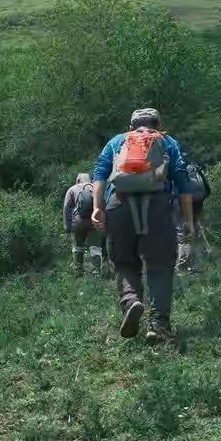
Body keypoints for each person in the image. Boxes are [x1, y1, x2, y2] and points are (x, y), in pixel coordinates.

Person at [91, 108, 194, 343]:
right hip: (157, 205)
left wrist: (98, 207)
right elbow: (182, 179)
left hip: (119, 204)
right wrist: (188, 219)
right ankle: (158, 325)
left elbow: (100, 173)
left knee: (125, 261)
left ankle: (131, 300)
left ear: (131, 127)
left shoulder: (117, 141)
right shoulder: (166, 141)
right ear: (157, 125)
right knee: (159, 263)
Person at [63, 172, 103, 276]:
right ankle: (96, 273)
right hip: (94, 222)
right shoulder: (96, 188)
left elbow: (66, 209)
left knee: (78, 247)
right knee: (95, 248)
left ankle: (78, 272)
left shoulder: (72, 189)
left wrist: (67, 226)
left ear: (78, 180)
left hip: (78, 222)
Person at [174, 161, 211, 274]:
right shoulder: (196, 171)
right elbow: (206, 192)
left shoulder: (177, 173)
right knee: (192, 236)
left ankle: (181, 268)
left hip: (183, 207)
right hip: (197, 204)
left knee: (184, 237)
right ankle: (191, 266)